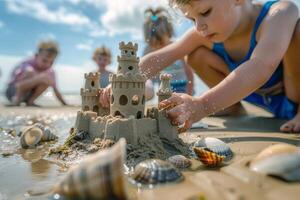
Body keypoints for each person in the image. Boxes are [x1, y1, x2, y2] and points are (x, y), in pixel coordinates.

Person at [100, 0, 300, 133]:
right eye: (191, 19)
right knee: (194, 54)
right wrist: (125, 79)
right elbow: (161, 56)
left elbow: (261, 65)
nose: (198, 26)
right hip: (250, 94)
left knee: (297, 31)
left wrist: (202, 105)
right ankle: (232, 107)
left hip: (293, 95)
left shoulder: (279, 13)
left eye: (205, 12)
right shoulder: (203, 33)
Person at [143, 7, 194, 95]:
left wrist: (189, 94)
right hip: (163, 89)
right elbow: (144, 71)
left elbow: (189, 73)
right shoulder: (148, 50)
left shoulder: (177, 47)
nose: (158, 46)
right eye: (154, 43)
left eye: (161, 41)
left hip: (182, 88)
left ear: (168, 32)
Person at [6, 40, 67, 106]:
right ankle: (16, 100)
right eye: (44, 60)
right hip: (13, 91)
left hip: (28, 95)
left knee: (48, 81)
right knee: (31, 73)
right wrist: (40, 77)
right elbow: (25, 74)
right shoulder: (28, 63)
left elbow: (56, 90)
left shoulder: (50, 72)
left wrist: (65, 104)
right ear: (36, 56)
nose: (48, 64)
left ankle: (30, 101)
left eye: (51, 62)